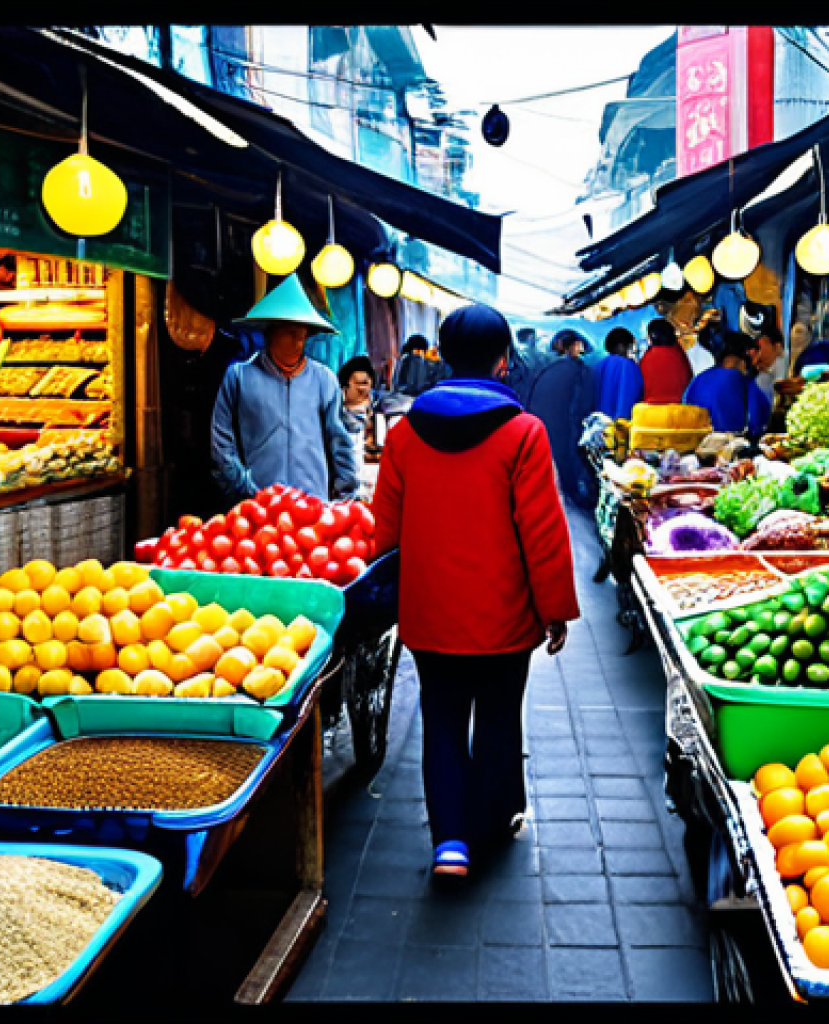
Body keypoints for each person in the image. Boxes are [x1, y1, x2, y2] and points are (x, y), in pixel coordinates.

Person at [370, 302, 580, 880]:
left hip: (429, 613)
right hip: (504, 615)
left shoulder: (406, 433)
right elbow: (542, 530)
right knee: (497, 717)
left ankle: (450, 845)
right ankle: (492, 822)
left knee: (439, 721)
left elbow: (383, 532)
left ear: (442, 359)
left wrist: (384, 601)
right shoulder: (524, 433)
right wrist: (555, 608)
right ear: (503, 361)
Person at [210, 273, 360, 510]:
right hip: (260, 509)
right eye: (290, 331)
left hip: (314, 507)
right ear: (271, 332)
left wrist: (346, 496)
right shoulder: (239, 376)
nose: (299, 340)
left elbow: (339, 440)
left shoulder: (324, 379)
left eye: (303, 333)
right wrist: (244, 486)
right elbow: (221, 441)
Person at [526, 328, 597, 509]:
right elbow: (583, 406)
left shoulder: (543, 368)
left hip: (542, 433)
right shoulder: (580, 371)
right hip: (566, 432)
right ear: (573, 346)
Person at [682, 333, 772, 440]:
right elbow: (758, 418)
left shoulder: (698, 379)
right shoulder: (744, 382)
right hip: (732, 445)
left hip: (694, 443)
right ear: (741, 359)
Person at [338, 353, 379, 500]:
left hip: (371, 494)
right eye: (358, 384)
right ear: (345, 387)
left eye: (365, 384)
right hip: (342, 498)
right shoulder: (334, 420)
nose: (362, 389)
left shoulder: (379, 419)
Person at [592, 326, 643, 421]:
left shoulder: (598, 365)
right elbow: (632, 394)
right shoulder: (628, 365)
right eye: (630, 346)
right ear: (621, 346)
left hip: (599, 423)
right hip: (621, 424)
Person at [638, 317, 694, 404]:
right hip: (682, 408)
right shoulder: (679, 354)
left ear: (652, 336)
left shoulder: (648, 358)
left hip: (653, 411)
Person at [750, 323, 788, 406]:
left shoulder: (780, 362)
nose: (758, 352)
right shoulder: (763, 369)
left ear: (777, 347)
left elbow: (779, 387)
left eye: (761, 347)